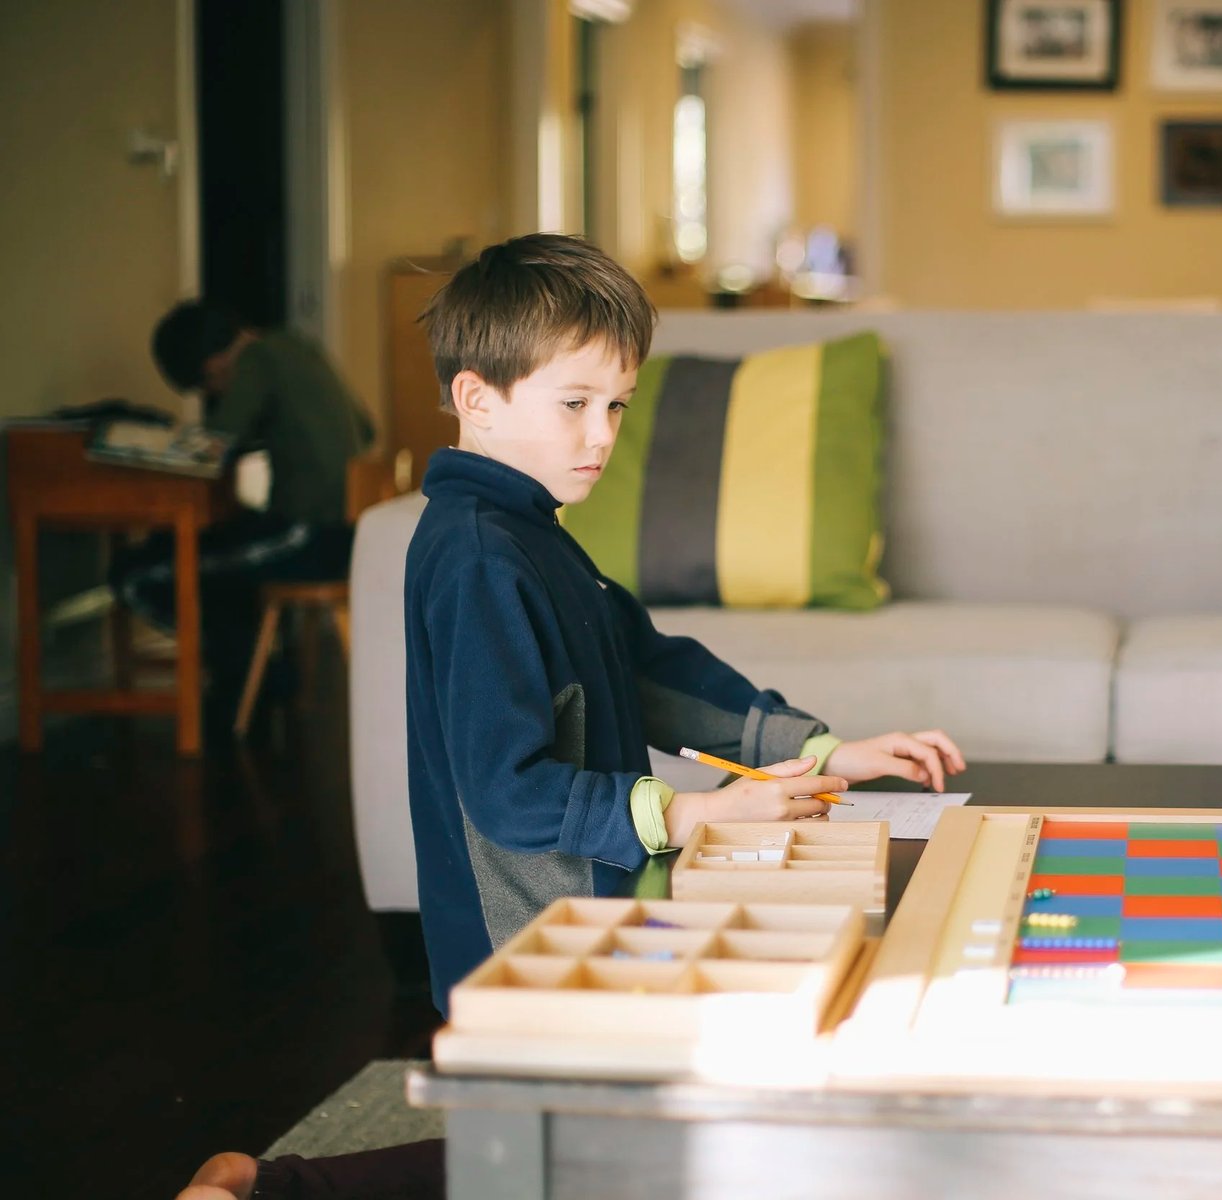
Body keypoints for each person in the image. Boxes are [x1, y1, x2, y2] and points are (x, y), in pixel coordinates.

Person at [175, 233, 965, 1198]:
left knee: (581, 1155)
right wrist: (691, 814)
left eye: (617, 405)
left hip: (589, 902)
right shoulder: (475, 557)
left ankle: (264, 1186)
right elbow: (506, 790)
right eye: (575, 404)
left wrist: (824, 748)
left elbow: (650, 670)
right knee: (581, 1164)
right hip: (527, 934)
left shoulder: (533, 534)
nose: (602, 435)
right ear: (478, 399)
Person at [113, 302, 375, 708]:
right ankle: (252, 670)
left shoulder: (256, 358)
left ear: (213, 365)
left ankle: (249, 669)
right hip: (346, 531)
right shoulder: (299, 346)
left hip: (308, 535)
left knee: (139, 570)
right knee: (221, 558)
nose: (216, 395)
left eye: (209, 389)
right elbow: (367, 429)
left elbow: (215, 444)